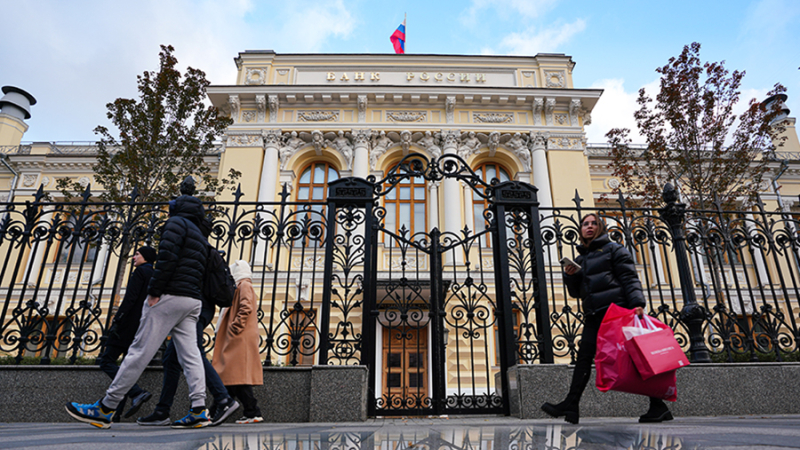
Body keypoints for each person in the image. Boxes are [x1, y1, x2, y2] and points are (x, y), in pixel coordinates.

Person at [65, 193, 212, 429]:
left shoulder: (175, 224)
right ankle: (199, 410)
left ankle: (105, 408)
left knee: (139, 351)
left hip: (169, 296)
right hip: (192, 300)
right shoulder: (200, 233)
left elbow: (165, 258)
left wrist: (154, 290)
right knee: (191, 355)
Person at [541, 213, 673, 424]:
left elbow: (629, 277)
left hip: (617, 312)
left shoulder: (614, 249)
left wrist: (637, 304)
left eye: (594, 223)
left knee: (635, 356)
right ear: (581, 230)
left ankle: (658, 405)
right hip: (594, 315)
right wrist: (570, 276)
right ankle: (571, 405)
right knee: (584, 358)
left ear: (601, 228)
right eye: (585, 224)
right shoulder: (580, 259)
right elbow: (576, 293)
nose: (589, 227)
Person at [137, 221, 240, 427]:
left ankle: (223, 399)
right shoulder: (205, 249)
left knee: (193, 352)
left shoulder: (196, 250)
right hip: (202, 307)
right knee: (171, 359)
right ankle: (162, 410)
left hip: (196, 307)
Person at [95, 246, 156, 422]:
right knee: (124, 368)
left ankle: (137, 392)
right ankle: (115, 412)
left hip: (127, 325)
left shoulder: (139, 273)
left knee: (106, 361)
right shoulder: (154, 274)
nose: (134, 257)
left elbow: (130, 298)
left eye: (137, 254)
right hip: (141, 326)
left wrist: (118, 319)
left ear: (145, 257)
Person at [212, 261, 264, 424]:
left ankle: (250, 411)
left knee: (236, 375)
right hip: (238, 336)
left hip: (239, 336)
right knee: (233, 376)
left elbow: (246, 306)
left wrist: (235, 326)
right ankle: (245, 411)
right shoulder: (241, 285)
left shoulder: (244, 285)